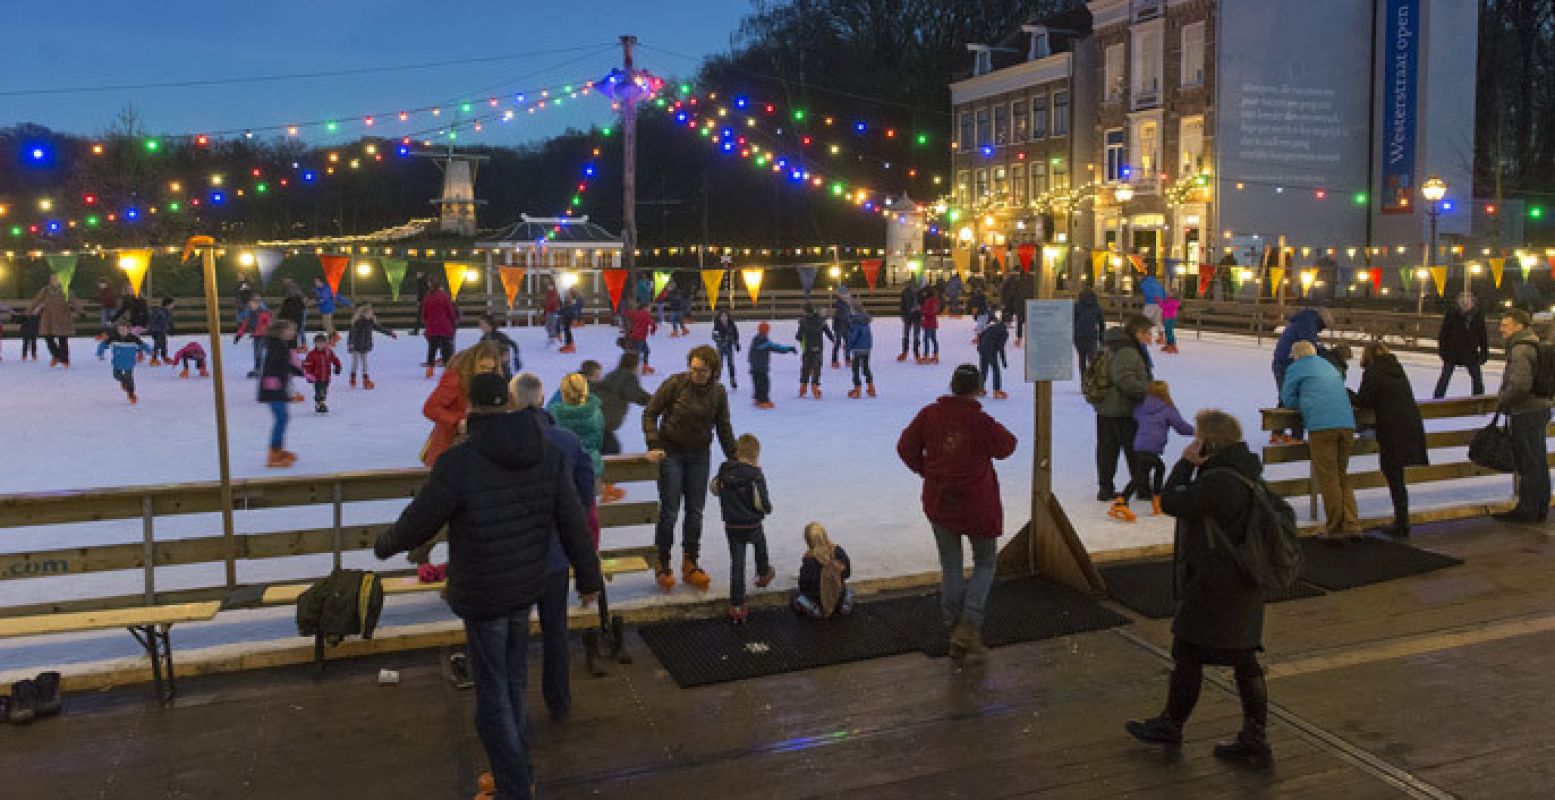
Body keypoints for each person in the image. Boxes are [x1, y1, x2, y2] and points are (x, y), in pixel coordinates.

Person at [374, 372, 602, 800]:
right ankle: (518, 772)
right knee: (512, 682)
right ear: (508, 405)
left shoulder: (460, 461)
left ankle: (514, 787)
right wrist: (589, 577)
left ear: (472, 409)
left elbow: (421, 519)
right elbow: (572, 519)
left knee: (492, 698)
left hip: (484, 593)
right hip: (526, 586)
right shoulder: (548, 452)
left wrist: (386, 544)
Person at [1125, 410, 1273, 769]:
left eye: (1199, 438)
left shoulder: (1219, 481)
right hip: (1243, 581)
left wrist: (1183, 464)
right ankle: (1253, 735)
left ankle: (1172, 726)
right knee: (1242, 657)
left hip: (1215, 582)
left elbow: (1173, 501)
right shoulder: (1246, 472)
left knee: (1189, 652)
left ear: (1209, 443)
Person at [897, 364, 1018, 662]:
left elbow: (905, 446)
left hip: (940, 499)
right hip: (977, 502)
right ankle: (970, 623)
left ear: (952, 385)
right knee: (985, 562)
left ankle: (954, 628)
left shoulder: (930, 414)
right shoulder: (981, 421)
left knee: (951, 566)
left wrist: (927, 471)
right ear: (978, 389)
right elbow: (1007, 446)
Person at [511, 371, 597, 723]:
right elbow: (585, 495)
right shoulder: (567, 441)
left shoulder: (500, 443)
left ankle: (514, 705)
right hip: (555, 554)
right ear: (543, 399)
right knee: (555, 629)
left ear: (513, 401)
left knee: (514, 634)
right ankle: (558, 700)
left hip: (515, 555)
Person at [642, 344, 738, 591]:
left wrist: (735, 458)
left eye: (702, 371)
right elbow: (650, 413)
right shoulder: (675, 384)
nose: (696, 374)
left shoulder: (718, 393)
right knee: (670, 511)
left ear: (713, 370)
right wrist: (654, 443)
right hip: (671, 454)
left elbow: (724, 427)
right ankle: (662, 562)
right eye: (693, 369)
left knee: (695, 512)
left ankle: (690, 562)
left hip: (699, 456)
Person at [1281, 341, 1359, 540]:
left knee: (1328, 477)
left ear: (1296, 355)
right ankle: (1352, 524)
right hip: (1347, 424)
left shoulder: (1296, 368)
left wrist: (1306, 403)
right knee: (1342, 475)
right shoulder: (1329, 366)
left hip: (1322, 426)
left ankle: (1335, 528)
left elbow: (1288, 399)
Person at [1354, 343, 1428, 537]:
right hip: (1410, 423)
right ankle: (1402, 519)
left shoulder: (1373, 372)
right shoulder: (1397, 369)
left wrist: (1348, 394)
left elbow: (1364, 400)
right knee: (1396, 474)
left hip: (1392, 427)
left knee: (1392, 472)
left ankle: (1401, 522)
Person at [1493, 309, 1552, 523]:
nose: (1501, 329)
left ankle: (1527, 509)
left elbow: (1520, 384)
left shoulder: (1520, 350)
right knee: (1537, 460)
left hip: (1526, 410)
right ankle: (1540, 506)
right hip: (1540, 408)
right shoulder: (1536, 344)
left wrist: (1503, 399)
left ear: (1519, 326)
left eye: (1506, 325)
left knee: (1528, 461)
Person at [710, 434, 776, 623]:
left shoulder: (725, 470)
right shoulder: (755, 475)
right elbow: (761, 502)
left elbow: (714, 488)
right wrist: (767, 509)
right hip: (751, 523)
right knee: (760, 544)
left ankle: (737, 604)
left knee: (737, 564)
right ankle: (763, 572)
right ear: (756, 455)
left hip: (732, 524)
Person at [1092, 316, 1155, 501]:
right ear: (1138, 332)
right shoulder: (1128, 350)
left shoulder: (1112, 344)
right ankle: (1142, 488)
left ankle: (1106, 487)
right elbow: (1123, 378)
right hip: (1123, 409)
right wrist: (1147, 391)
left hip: (1105, 407)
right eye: (1147, 333)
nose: (1150, 338)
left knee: (1107, 449)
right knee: (1135, 450)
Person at [1112, 381, 1195, 521]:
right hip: (1152, 446)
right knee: (1141, 475)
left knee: (1157, 469)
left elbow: (1136, 416)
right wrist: (1198, 432)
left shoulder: (1141, 407)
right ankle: (1121, 501)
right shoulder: (1167, 409)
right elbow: (1181, 427)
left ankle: (1156, 501)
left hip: (1139, 444)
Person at [419, 341, 506, 468]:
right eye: (483, 367)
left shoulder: (492, 383)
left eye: (490, 369)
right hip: (449, 444)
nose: (486, 372)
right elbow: (430, 408)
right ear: (473, 363)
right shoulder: (456, 379)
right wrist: (457, 422)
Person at [1269, 307, 1333, 444]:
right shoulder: (1308, 321)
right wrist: (1326, 354)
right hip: (1288, 363)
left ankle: (1280, 433)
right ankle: (1293, 435)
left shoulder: (1306, 320)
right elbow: (1309, 343)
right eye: (1324, 326)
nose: (1322, 330)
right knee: (1294, 397)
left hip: (1287, 362)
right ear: (1322, 320)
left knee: (1288, 396)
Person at [258, 320, 304, 468]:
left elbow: (286, 365)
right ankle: (273, 455)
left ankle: (277, 450)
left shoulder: (281, 345)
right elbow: (270, 365)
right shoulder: (275, 346)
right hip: (273, 389)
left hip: (278, 388)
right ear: (281, 332)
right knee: (281, 418)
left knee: (283, 418)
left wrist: (302, 373)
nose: (293, 333)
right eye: (290, 330)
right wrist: (270, 380)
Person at [792, 522, 854, 619]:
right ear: (825, 535)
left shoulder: (808, 559)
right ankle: (843, 606)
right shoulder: (838, 550)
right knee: (849, 589)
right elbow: (847, 574)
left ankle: (815, 610)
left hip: (818, 604)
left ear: (808, 540)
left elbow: (803, 586)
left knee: (797, 594)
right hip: (838, 599)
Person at [1434, 292, 1489, 398]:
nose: (1465, 302)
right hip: (1452, 352)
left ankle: (1478, 401)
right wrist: (1443, 350)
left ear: (1472, 301)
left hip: (1470, 352)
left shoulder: (1477, 316)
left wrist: (1484, 353)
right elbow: (1443, 334)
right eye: (1462, 299)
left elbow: (1483, 336)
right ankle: (1437, 399)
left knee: (1477, 378)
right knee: (1445, 377)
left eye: (1468, 299)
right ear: (1458, 301)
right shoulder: (1452, 314)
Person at [96, 320, 151, 404]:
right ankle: (124, 382)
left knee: (129, 377)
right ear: (117, 330)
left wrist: (149, 351)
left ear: (128, 330)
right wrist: (100, 353)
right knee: (116, 375)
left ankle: (131, 394)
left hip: (129, 362)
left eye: (124, 329)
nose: (122, 331)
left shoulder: (133, 338)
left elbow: (143, 345)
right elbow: (103, 344)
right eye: (120, 330)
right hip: (117, 361)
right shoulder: (113, 338)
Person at [31, 273, 78, 367]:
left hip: (62, 317)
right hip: (48, 317)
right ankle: (56, 355)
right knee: (47, 336)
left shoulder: (66, 290)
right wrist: (29, 311)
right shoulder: (45, 290)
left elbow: (74, 302)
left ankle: (65, 359)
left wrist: (80, 311)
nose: (54, 281)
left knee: (62, 339)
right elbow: (37, 300)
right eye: (53, 279)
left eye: (56, 279)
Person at [346, 304, 396, 389]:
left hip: (365, 346)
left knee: (365, 364)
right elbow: (352, 334)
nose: (370, 315)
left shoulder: (371, 322)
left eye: (371, 313)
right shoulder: (357, 323)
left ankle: (366, 381)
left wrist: (390, 333)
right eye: (368, 313)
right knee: (355, 363)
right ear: (363, 314)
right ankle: (353, 378)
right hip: (355, 346)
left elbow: (380, 328)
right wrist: (350, 344)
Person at [748, 322, 796, 409]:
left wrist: (751, 363)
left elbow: (750, 353)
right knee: (764, 384)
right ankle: (763, 401)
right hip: (761, 368)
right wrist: (789, 349)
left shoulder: (755, 339)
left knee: (758, 383)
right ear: (766, 330)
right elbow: (776, 347)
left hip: (754, 367)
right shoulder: (763, 340)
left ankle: (757, 399)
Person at [795, 303, 834, 399]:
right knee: (817, 367)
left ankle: (803, 387)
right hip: (818, 347)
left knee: (806, 367)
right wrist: (833, 339)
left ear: (805, 311)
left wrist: (801, 337)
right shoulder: (821, 320)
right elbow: (828, 332)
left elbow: (798, 336)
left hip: (808, 347)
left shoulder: (803, 321)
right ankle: (815, 386)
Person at [421, 281, 458, 378]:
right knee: (446, 349)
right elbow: (450, 311)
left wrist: (426, 323)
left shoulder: (427, 297)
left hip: (432, 326)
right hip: (444, 326)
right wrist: (453, 323)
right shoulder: (444, 296)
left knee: (432, 348)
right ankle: (447, 371)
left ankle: (429, 370)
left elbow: (424, 313)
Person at [301, 334, 342, 414]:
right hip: (316, 377)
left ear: (325, 343)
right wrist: (309, 375)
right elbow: (308, 366)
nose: (320, 345)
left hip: (326, 377)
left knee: (324, 391)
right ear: (315, 344)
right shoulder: (311, 354)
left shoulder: (328, 352)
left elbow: (335, 360)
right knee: (319, 391)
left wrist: (337, 367)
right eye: (318, 343)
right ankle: (321, 404)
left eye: (322, 343)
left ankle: (319, 403)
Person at [235, 297, 273, 379]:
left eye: (253, 304)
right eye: (250, 304)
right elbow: (244, 326)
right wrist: (238, 335)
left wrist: (271, 333)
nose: (251, 306)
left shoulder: (263, 313)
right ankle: (257, 369)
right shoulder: (250, 315)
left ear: (258, 304)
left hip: (264, 335)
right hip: (256, 336)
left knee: (259, 352)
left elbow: (270, 323)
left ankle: (262, 370)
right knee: (256, 353)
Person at [977, 310, 1011, 400]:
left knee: (983, 369)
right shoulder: (1004, 332)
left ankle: (980, 388)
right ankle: (997, 390)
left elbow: (982, 335)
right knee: (996, 370)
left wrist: (979, 346)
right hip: (990, 351)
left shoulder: (993, 326)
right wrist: (1004, 361)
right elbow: (1001, 347)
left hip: (983, 349)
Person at [846, 300, 876, 399]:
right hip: (867, 348)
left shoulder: (855, 321)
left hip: (858, 348)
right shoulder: (865, 320)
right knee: (866, 367)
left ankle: (857, 388)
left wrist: (848, 347)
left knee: (855, 369)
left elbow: (853, 336)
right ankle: (871, 387)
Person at [1073, 288, 1106, 376]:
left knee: (1082, 359)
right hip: (1092, 336)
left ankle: (1084, 380)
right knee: (1092, 360)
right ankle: (1093, 382)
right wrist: (1102, 338)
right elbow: (1102, 323)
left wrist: (1073, 334)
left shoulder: (1077, 305)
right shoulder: (1096, 306)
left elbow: (1072, 321)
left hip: (1079, 336)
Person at [477, 314, 522, 378]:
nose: (480, 326)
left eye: (483, 323)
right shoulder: (483, 339)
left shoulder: (500, 336)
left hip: (502, 370)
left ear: (490, 324)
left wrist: (516, 358)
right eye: (480, 324)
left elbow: (514, 345)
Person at [624, 301, 657, 375]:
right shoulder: (646, 314)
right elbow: (653, 324)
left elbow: (630, 314)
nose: (649, 309)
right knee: (639, 353)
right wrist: (653, 330)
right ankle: (634, 368)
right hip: (640, 338)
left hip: (635, 337)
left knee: (645, 351)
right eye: (648, 307)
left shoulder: (636, 313)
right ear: (645, 308)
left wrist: (625, 311)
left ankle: (644, 366)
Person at [313, 276, 350, 343]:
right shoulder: (316, 290)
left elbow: (338, 297)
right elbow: (314, 298)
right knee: (325, 325)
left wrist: (348, 303)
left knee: (328, 325)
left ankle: (331, 339)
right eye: (315, 282)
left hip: (329, 309)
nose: (316, 283)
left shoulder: (328, 289)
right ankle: (335, 335)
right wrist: (318, 301)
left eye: (317, 281)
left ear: (322, 282)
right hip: (322, 309)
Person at [712, 309, 740, 390]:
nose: (724, 318)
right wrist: (720, 340)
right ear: (719, 318)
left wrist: (736, 344)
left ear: (728, 317)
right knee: (719, 365)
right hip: (720, 347)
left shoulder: (732, 325)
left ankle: (732, 379)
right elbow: (714, 336)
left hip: (729, 347)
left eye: (725, 316)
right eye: (722, 317)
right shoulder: (717, 326)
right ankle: (716, 381)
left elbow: (735, 335)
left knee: (730, 364)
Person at [1000, 272, 1030, 347]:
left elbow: (1009, 293)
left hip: (1019, 303)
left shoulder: (1012, 282)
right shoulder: (1025, 281)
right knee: (1025, 321)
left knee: (1020, 321)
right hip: (1026, 302)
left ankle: (1019, 339)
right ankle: (1021, 339)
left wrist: (1005, 303)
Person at [277, 279, 307, 350]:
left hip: (291, 321)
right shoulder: (296, 300)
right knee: (295, 335)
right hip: (294, 321)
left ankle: (301, 345)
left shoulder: (289, 300)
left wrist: (280, 320)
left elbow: (284, 313)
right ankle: (299, 346)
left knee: (294, 335)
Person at [1139, 271, 1167, 345]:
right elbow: (1163, 290)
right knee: (1157, 320)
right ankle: (1161, 337)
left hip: (1150, 303)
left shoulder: (1144, 283)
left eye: (1139, 277)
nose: (1138, 279)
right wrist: (1163, 300)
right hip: (1160, 304)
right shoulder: (1155, 281)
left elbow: (1148, 293)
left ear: (1142, 276)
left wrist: (1152, 299)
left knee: (1145, 320)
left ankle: (1147, 338)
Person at [897, 280, 922, 362]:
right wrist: (903, 314)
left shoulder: (920, 291)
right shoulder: (905, 292)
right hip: (908, 315)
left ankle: (916, 353)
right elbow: (902, 304)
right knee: (906, 334)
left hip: (917, 316)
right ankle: (904, 352)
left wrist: (920, 310)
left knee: (916, 336)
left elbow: (923, 303)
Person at [147, 297, 175, 366]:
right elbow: (152, 321)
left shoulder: (168, 312)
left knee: (164, 344)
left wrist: (171, 329)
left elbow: (168, 322)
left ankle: (164, 357)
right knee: (157, 344)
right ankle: (153, 359)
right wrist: (153, 329)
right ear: (168, 304)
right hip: (156, 331)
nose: (174, 305)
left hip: (162, 331)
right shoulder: (159, 311)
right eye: (172, 304)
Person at [830, 287, 852, 369]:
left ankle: (848, 359)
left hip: (846, 326)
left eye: (847, 294)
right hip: (839, 326)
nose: (846, 296)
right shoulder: (839, 303)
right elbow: (842, 315)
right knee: (837, 343)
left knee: (848, 343)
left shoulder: (848, 303)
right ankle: (834, 361)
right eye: (844, 295)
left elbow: (849, 314)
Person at [919, 286, 942, 364]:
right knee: (933, 339)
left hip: (929, 323)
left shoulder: (931, 301)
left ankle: (927, 356)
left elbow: (930, 312)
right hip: (932, 323)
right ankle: (935, 355)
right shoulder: (933, 300)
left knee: (927, 339)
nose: (924, 294)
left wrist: (921, 309)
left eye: (925, 292)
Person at [558, 288, 584, 353]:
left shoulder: (576, 299)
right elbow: (562, 307)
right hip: (566, 317)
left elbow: (577, 308)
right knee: (566, 331)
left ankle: (571, 346)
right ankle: (567, 344)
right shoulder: (566, 295)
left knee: (568, 332)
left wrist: (576, 319)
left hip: (570, 317)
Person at [410, 270, 429, 336]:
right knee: (421, 316)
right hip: (423, 301)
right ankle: (416, 330)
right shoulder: (420, 282)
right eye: (417, 273)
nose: (417, 275)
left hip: (424, 302)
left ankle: (419, 331)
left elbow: (422, 293)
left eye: (419, 273)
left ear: (422, 274)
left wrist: (419, 301)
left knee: (423, 316)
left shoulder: (423, 282)